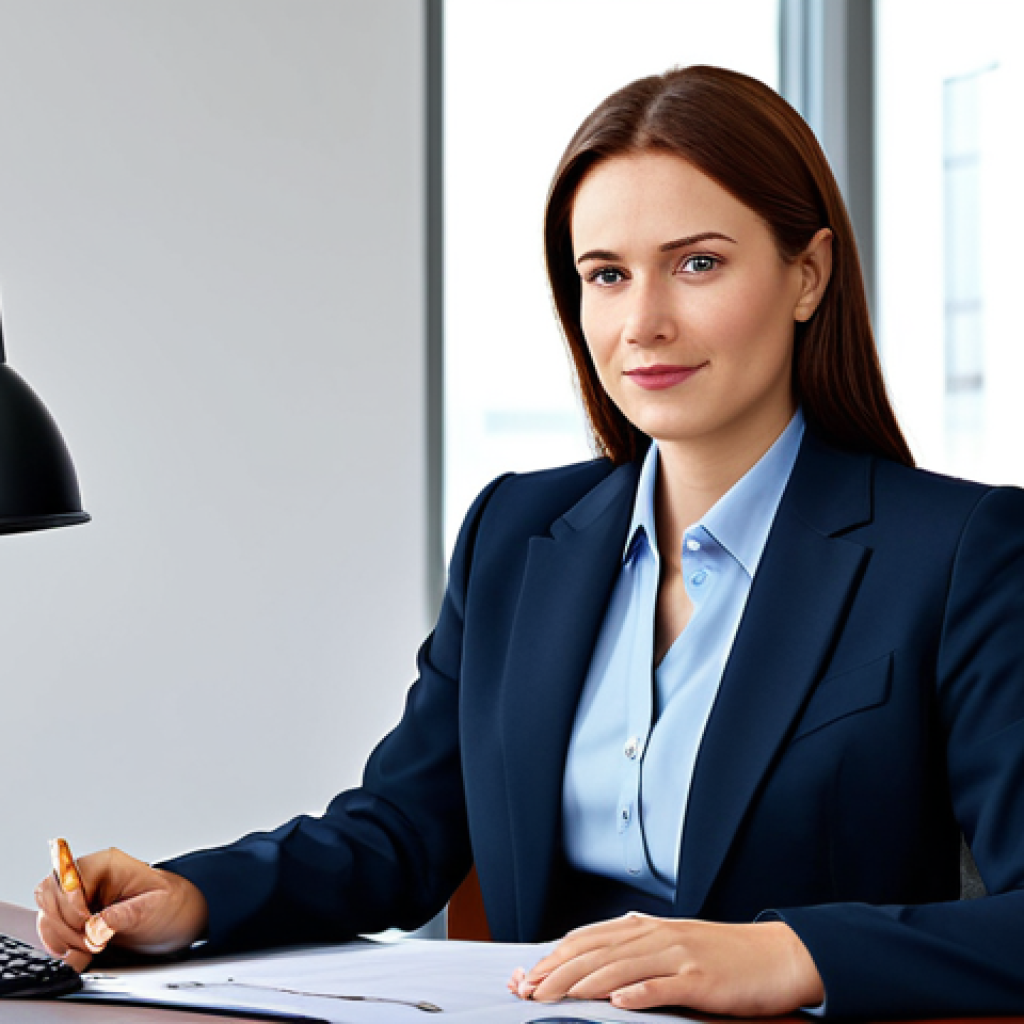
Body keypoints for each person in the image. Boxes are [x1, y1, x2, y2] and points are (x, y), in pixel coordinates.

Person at [34, 66, 1024, 1018]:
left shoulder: (958, 554)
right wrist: (195, 897)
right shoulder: (516, 533)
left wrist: (783, 954)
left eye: (697, 264)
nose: (643, 322)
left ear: (807, 275)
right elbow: (404, 828)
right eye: (607, 275)